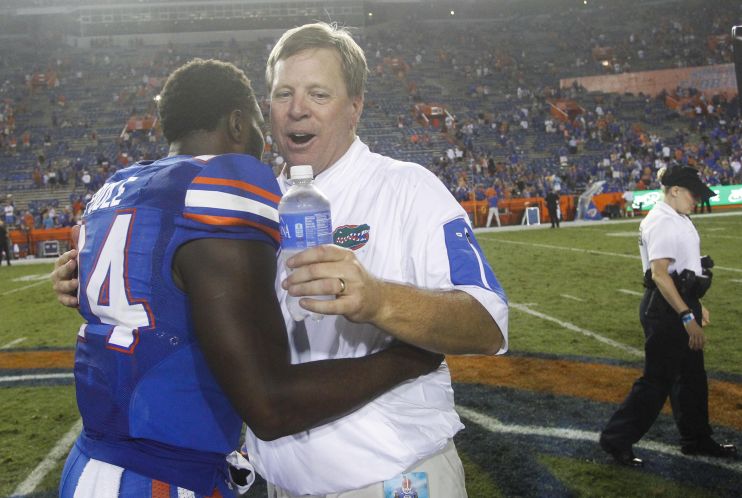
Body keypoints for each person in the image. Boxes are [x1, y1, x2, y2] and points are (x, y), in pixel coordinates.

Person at [53, 24, 508, 498]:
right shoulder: (247, 198)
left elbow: (487, 323)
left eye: (318, 93)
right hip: (282, 484)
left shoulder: (407, 187)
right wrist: (89, 277)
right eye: (283, 93)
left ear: (355, 106)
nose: (296, 108)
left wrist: (380, 300)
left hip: (394, 477)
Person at [599, 166, 736, 466]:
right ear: (674, 190)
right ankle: (616, 439)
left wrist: (696, 306)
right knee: (657, 381)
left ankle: (696, 438)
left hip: (678, 302)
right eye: (693, 193)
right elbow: (660, 275)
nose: (697, 199)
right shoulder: (662, 221)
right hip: (667, 310)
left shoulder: (677, 217)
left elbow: (681, 268)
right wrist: (688, 316)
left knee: (691, 378)